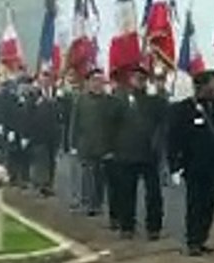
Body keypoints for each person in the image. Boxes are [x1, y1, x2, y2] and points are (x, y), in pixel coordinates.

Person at [168, 70, 214, 256]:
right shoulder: (183, 109)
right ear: (201, 87)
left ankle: (203, 238)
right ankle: (193, 241)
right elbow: (174, 138)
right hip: (194, 166)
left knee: (209, 205)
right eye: (213, 85)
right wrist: (174, 166)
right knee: (195, 204)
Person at [108, 64, 166, 240]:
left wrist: (162, 88)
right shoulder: (119, 100)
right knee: (126, 193)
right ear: (130, 80)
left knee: (154, 194)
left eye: (142, 79)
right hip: (126, 153)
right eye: (136, 78)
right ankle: (127, 226)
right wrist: (112, 148)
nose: (139, 82)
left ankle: (153, 227)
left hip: (149, 153)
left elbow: (165, 117)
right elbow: (111, 125)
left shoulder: (153, 101)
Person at [70, 68, 114, 217]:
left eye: (100, 81)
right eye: (94, 80)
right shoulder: (81, 100)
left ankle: (97, 203)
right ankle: (88, 202)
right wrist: (73, 143)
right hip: (86, 144)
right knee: (87, 174)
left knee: (100, 176)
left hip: (103, 145)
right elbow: (74, 123)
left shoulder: (108, 101)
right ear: (88, 83)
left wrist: (112, 146)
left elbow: (113, 124)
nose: (97, 84)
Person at [26, 70, 63, 198]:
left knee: (52, 160)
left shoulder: (58, 94)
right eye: (44, 77)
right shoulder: (34, 95)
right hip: (39, 133)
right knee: (41, 159)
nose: (46, 81)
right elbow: (28, 113)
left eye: (49, 77)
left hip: (54, 133)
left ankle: (49, 184)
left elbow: (62, 112)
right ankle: (41, 185)